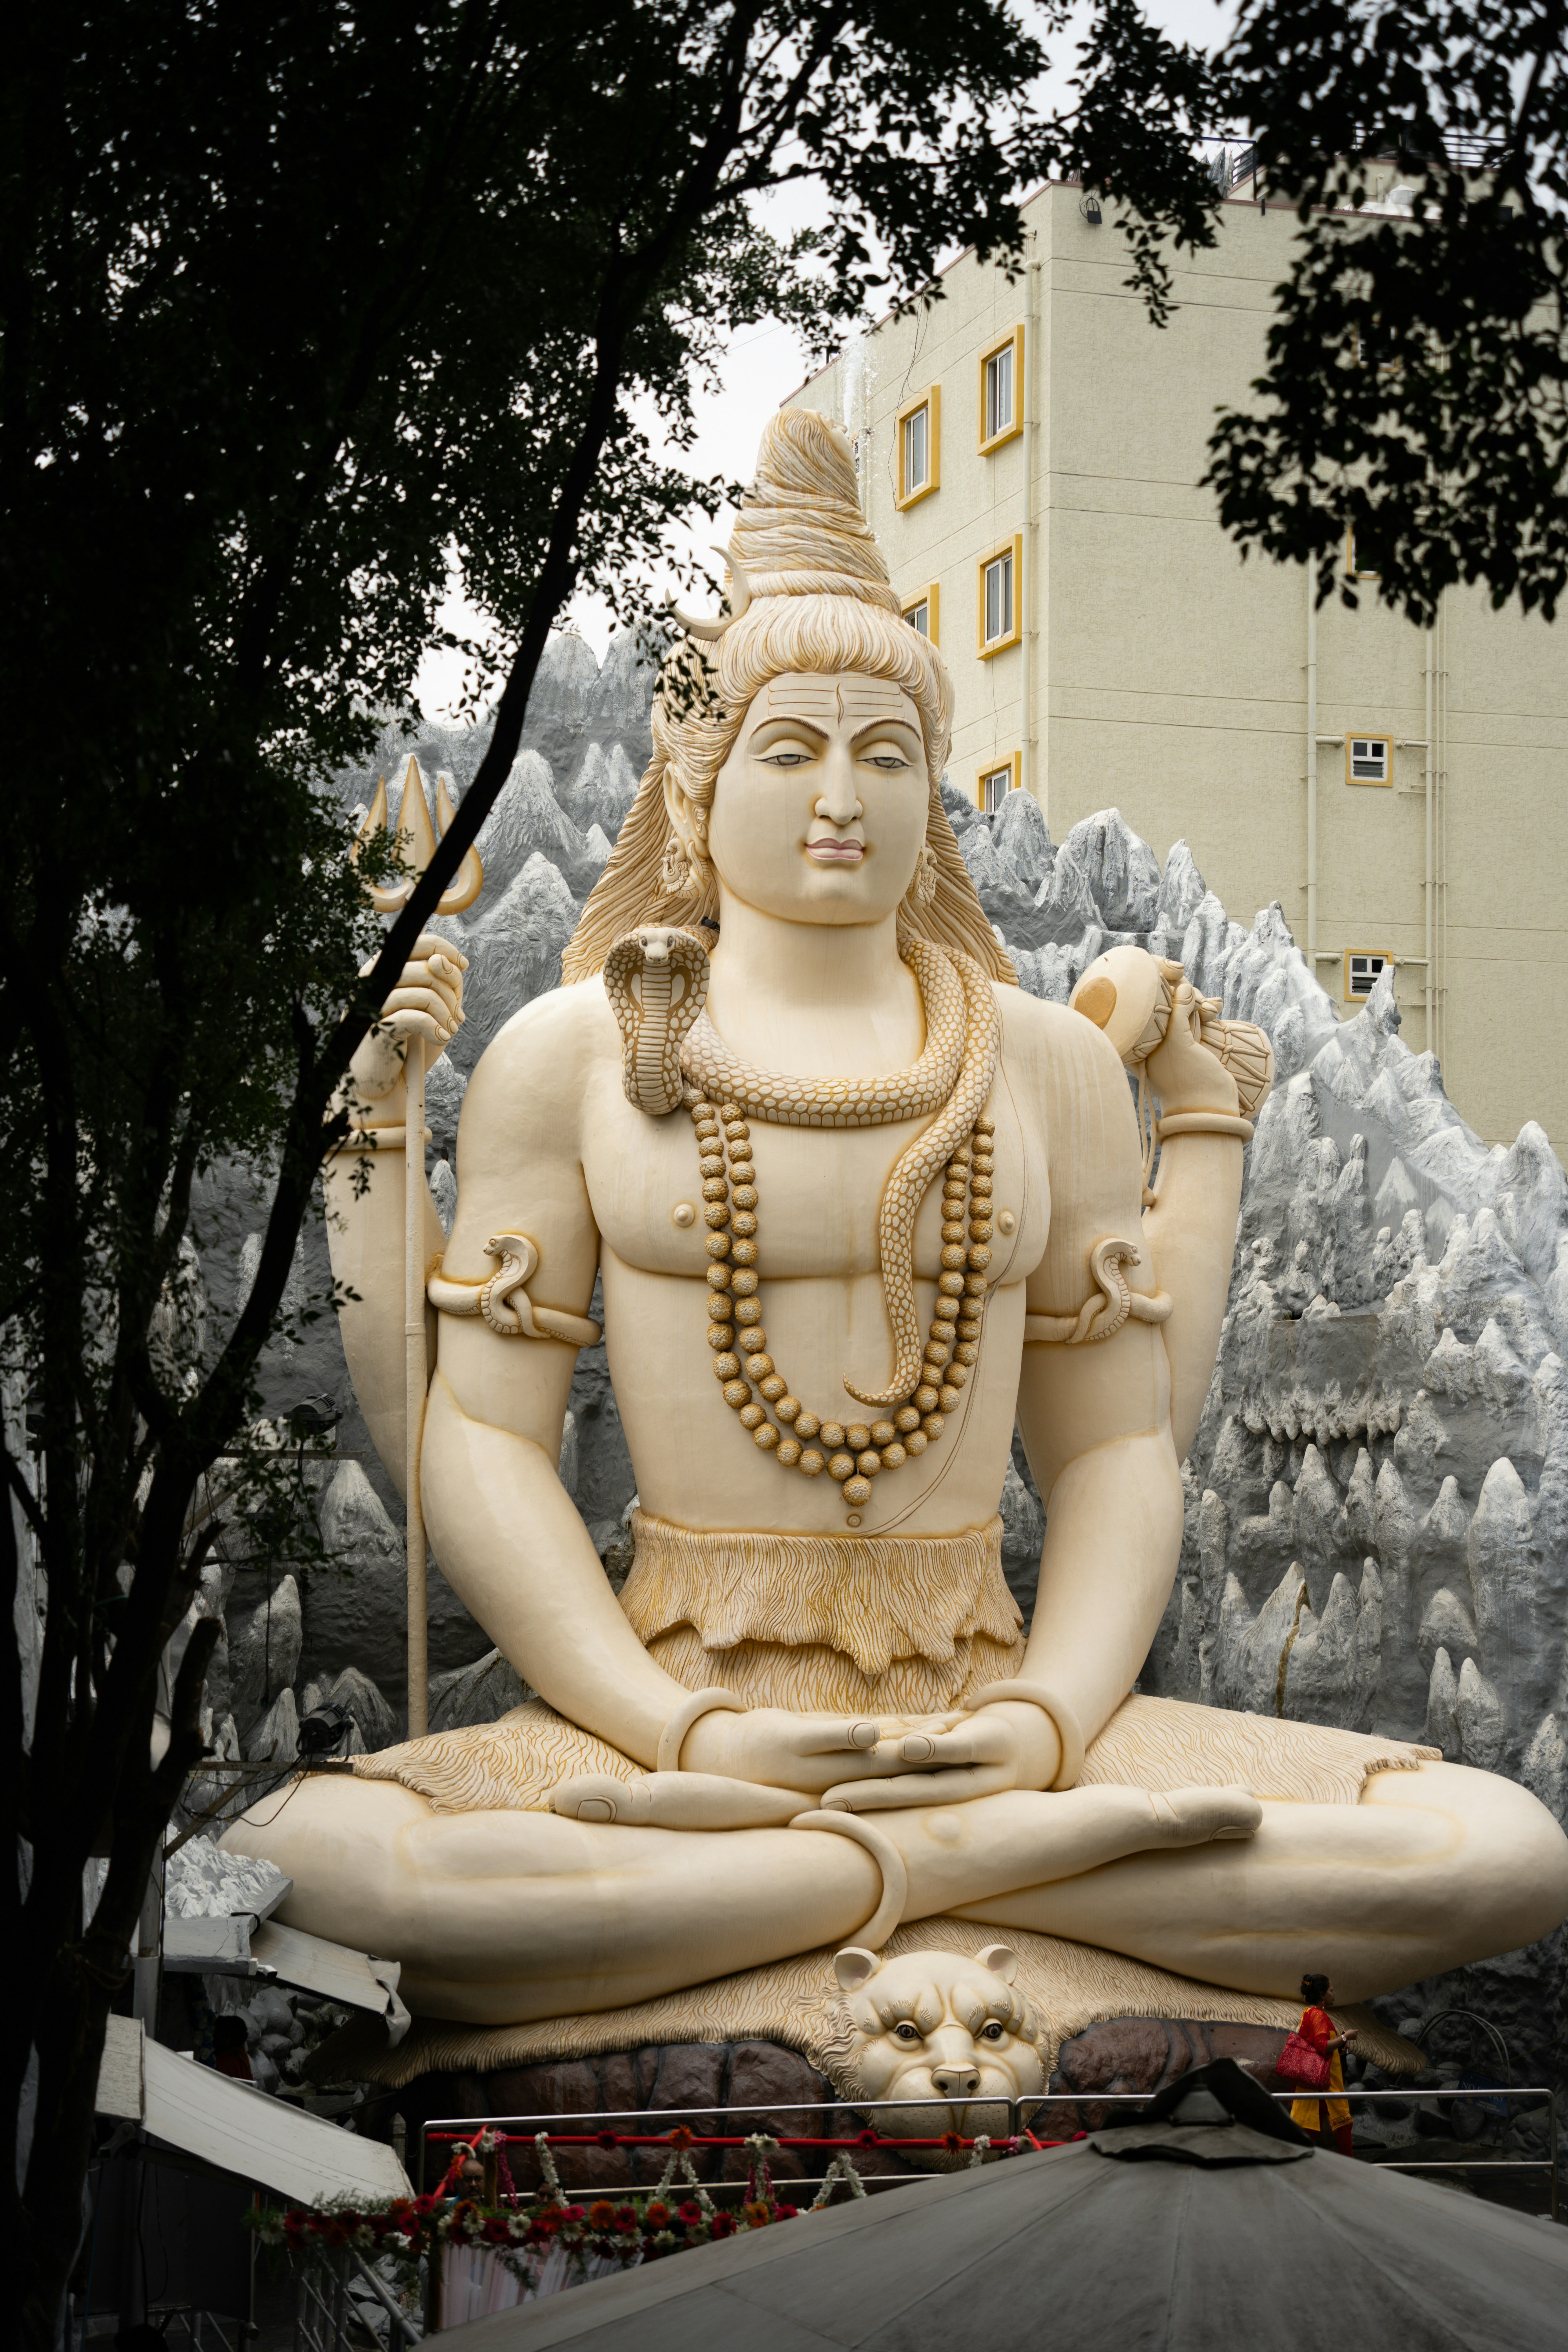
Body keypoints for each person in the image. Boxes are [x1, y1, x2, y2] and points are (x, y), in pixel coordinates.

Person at [221, 408, 1568, 2030]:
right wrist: (678, 1736)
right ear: (697, 781)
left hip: (982, 1709)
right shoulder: (575, 1053)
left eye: (887, 754)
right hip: (677, 1698)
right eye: (790, 751)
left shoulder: (1048, 1063)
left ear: (932, 780)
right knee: (323, 1853)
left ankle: (845, 1874)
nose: (841, 799)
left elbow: (1114, 1450)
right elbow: (480, 1447)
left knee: (1494, 1850)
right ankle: (959, 1870)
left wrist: (1052, 1726)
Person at [1289, 1973, 1357, 2153]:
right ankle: (1350, 2169)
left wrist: (1340, 2046)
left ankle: (1299, 2168)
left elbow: (1317, 2044)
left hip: (1313, 2080)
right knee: (1344, 2125)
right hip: (1326, 2080)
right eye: (1331, 1990)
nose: (1334, 1994)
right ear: (1321, 1994)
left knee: (1309, 2126)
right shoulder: (1318, 2015)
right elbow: (1322, 2046)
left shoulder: (1308, 2013)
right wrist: (1346, 2036)